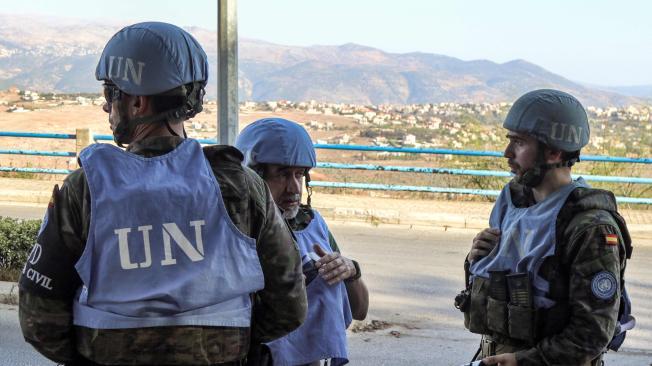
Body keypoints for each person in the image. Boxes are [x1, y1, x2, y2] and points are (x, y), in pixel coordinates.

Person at [18, 22, 307, 366]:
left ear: (137, 102)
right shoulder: (241, 185)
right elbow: (289, 303)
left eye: (111, 93)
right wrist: (228, 345)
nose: (106, 106)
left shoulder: (86, 188)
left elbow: (39, 319)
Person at [456, 89, 633, 366]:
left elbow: (591, 335)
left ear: (553, 152)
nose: (507, 153)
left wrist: (523, 360)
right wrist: (477, 258)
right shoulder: (515, 202)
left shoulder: (590, 228)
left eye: (519, 143)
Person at [235, 118, 369, 366]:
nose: (294, 187)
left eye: (299, 174)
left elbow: (360, 310)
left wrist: (351, 271)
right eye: (283, 175)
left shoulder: (311, 224)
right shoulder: (236, 231)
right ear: (252, 177)